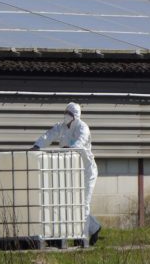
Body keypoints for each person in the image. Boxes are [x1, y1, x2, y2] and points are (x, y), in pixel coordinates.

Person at [31, 102, 101, 246]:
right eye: (65, 112)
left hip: (87, 171)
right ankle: (94, 227)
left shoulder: (83, 128)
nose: (66, 116)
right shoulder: (61, 127)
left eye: (69, 114)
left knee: (83, 203)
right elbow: (49, 135)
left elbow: (80, 142)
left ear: (75, 116)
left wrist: (70, 148)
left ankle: (81, 237)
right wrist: (38, 145)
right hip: (70, 170)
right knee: (70, 203)